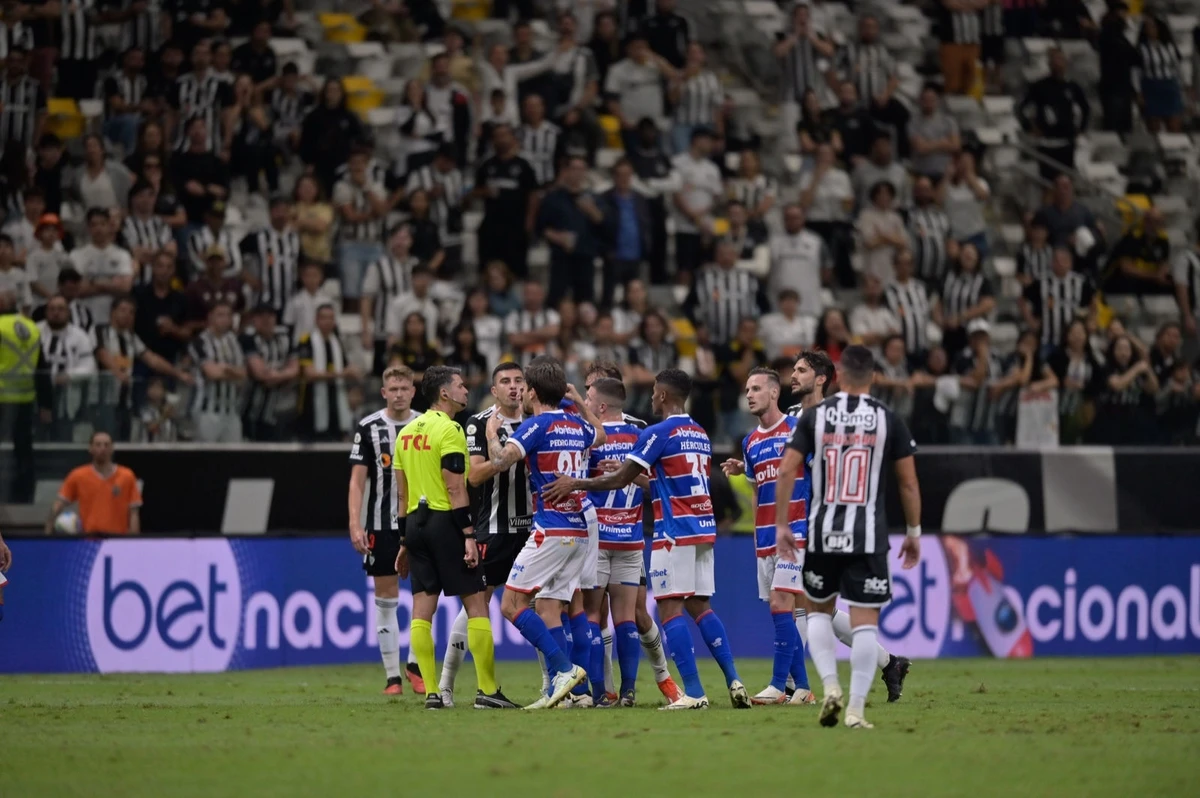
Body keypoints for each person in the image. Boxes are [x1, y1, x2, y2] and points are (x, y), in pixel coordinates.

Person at [545, 368, 750, 710]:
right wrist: (627, 477)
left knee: (668, 610)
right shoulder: (698, 431)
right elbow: (659, 484)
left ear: (665, 396)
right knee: (701, 606)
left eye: (655, 391)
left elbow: (620, 478)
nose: (651, 396)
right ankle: (733, 679)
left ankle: (693, 692)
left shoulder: (658, 432)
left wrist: (577, 483)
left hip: (673, 532)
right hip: (702, 528)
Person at [775, 344, 922, 728]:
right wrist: (913, 532)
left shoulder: (816, 417)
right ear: (873, 377)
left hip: (821, 528)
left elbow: (786, 470)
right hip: (867, 531)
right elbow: (908, 484)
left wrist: (780, 524)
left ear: (836, 376)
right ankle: (855, 708)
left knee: (816, 613)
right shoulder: (887, 417)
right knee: (864, 622)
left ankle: (830, 687)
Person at [480, 357, 604, 709]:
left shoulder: (537, 425)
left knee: (510, 604)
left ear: (532, 392)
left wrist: (492, 433)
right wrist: (580, 402)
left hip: (550, 530)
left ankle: (564, 670)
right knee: (550, 607)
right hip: (579, 531)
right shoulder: (576, 424)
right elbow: (602, 434)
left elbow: (503, 460)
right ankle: (573, 695)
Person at [394, 365, 518, 710]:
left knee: (422, 609)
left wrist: (404, 542)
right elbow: (454, 487)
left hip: (415, 526)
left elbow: (401, 496)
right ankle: (488, 690)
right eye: (461, 386)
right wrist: (467, 535)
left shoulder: (405, 433)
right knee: (477, 603)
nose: (466, 390)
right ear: (444, 393)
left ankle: (433, 693)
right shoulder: (450, 430)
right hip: (445, 523)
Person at [581, 362, 681, 706]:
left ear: (602, 403)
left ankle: (598, 692)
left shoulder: (589, 437)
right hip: (632, 537)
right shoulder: (642, 435)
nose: (586, 400)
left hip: (598, 538)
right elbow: (656, 485)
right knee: (627, 617)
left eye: (589, 395)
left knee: (592, 616)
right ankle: (628, 691)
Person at [438, 362, 532, 706]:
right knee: (476, 607)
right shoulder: (478, 424)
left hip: (533, 531)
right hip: (492, 530)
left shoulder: (536, 420)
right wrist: (503, 459)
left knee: (539, 607)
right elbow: (474, 476)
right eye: (505, 382)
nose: (513, 387)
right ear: (494, 391)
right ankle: (445, 685)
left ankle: (553, 687)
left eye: (519, 381)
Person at [728, 368, 814, 706]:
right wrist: (755, 537)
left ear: (775, 393)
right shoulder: (750, 442)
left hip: (796, 533)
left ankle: (779, 686)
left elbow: (815, 475)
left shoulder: (797, 431)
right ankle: (803, 688)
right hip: (765, 537)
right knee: (781, 614)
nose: (749, 394)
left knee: (782, 604)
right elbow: (755, 491)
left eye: (757, 388)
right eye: (747, 388)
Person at [348, 365, 424, 696]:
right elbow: (357, 481)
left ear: (412, 391)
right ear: (383, 393)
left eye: (403, 388)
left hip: (421, 522)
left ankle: (414, 666)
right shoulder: (368, 428)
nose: (398, 394)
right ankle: (392, 677)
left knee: (425, 595)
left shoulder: (426, 425)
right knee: (386, 597)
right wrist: (354, 523)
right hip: (381, 523)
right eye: (392, 389)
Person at [0, 293, 51, 502]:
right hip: (25, 398)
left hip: (1, 398)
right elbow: (42, 368)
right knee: (24, 451)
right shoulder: (32, 327)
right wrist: (46, 403)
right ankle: (25, 495)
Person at [45, 431, 142, 535]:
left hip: (117, 540)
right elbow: (59, 504)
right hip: (88, 540)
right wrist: (48, 531)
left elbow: (134, 513)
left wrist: (134, 541)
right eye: (98, 445)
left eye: (106, 445)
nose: (103, 448)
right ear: (90, 448)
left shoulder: (127, 476)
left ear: (112, 448)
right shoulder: (78, 475)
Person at [189, 302, 247, 443]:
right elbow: (211, 373)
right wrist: (232, 371)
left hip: (231, 411)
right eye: (220, 315)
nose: (225, 319)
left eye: (228, 315)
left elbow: (243, 374)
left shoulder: (233, 341)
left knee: (233, 459)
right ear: (210, 317)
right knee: (206, 458)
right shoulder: (199, 341)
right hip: (207, 411)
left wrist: (224, 368)